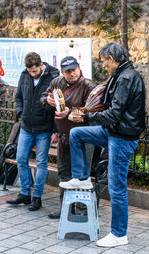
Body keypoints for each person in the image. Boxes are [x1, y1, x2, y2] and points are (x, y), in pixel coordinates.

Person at [60, 42, 145, 248]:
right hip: (113, 131)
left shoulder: (126, 78)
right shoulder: (120, 75)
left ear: (111, 58)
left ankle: (118, 234)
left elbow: (115, 113)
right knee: (77, 134)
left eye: (104, 61)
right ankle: (81, 178)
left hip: (122, 137)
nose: (103, 66)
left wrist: (87, 118)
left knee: (116, 186)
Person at [40, 56, 97, 219]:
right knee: (64, 173)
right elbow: (43, 98)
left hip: (83, 138)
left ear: (79, 68)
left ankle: (81, 210)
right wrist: (48, 100)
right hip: (64, 136)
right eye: (67, 71)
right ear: (62, 72)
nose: (71, 74)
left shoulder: (88, 86)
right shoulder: (56, 82)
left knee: (81, 175)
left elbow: (92, 113)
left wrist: (70, 112)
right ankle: (65, 208)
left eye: (73, 70)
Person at [6, 52, 59, 211]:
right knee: (21, 159)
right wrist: (21, 113)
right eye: (30, 71)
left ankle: (37, 197)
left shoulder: (54, 76)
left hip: (44, 128)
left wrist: (55, 131)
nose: (32, 74)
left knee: (40, 163)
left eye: (35, 71)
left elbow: (59, 104)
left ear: (41, 65)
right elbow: (18, 97)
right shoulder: (24, 75)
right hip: (26, 127)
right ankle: (24, 194)